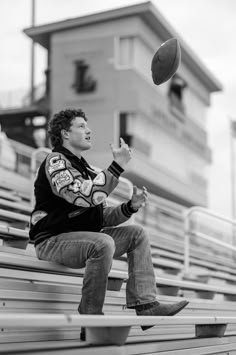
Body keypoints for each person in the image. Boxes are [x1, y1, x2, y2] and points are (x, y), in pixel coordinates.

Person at [29, 108, 188, 340]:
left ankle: (146, 306)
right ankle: (91, 318)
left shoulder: (83, 167)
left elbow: (101, 215)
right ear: (64, 133)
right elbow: (84, 197)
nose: (89, 130)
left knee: (137, 233)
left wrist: (130, 206)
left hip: (81, 238)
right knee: (102, 243)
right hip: (52, 240)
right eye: (81, 126)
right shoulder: (55, 161)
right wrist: (117, 166)